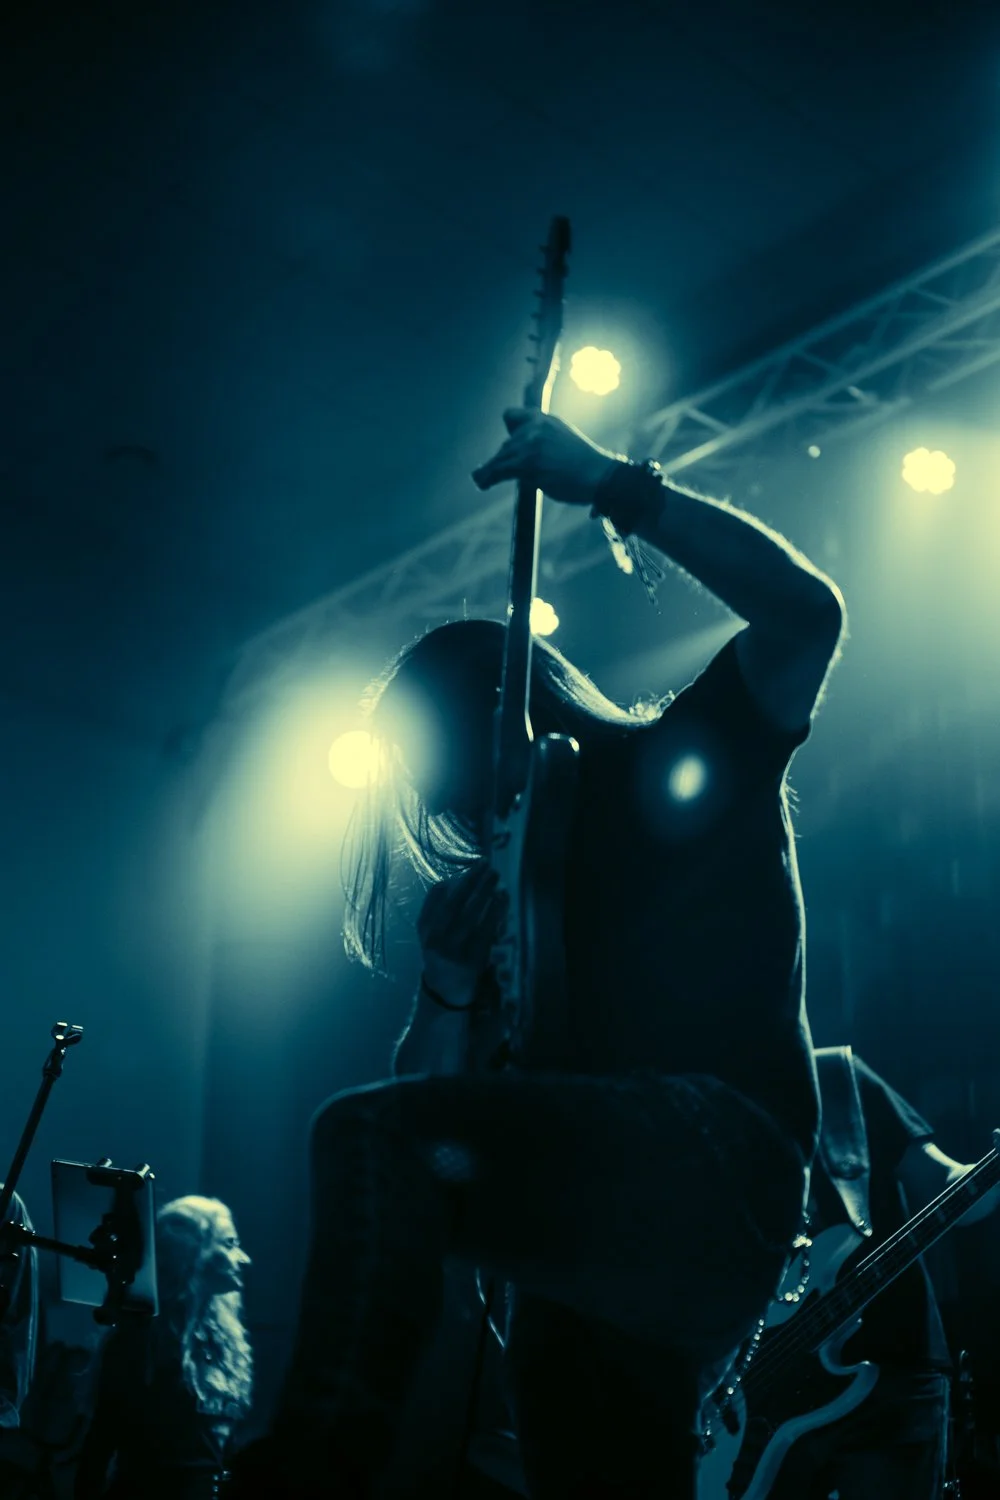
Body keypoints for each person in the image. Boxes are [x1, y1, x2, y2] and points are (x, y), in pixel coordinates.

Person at [232, 407, 846, 1498]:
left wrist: (618, 486)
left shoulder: (666, 773)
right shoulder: (515, 910)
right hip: (595, 1258)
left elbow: (806, 615)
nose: (452, 815)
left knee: (364, 1128)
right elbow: (442, 1159)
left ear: (500, 716)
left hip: (719, 1166)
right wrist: (448, 991)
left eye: (444, 782)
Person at [767, 1049, 1000, 1500]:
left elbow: (945, 1183)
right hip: (763, 1395)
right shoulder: (700, 1108)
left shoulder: (835, 1077)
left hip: (893, 1371)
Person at [74, 1195, 253, 1500]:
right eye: (229, 1243)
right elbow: (100, 1444)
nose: (243, 1258)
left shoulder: (222, 1340)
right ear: (190, 1254)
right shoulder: (141, 1341)